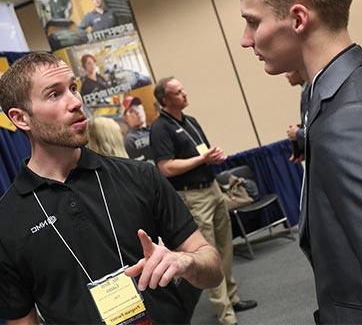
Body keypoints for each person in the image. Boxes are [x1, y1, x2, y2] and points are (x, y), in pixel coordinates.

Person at [230, 0, 362, 324]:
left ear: (299, 18)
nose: (245, 40)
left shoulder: (352, 117)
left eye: (253, 22)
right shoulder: (328, 97)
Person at [0, 52, 223, 325]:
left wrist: (186, 263)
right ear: (21, 118)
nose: (75, 102)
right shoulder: (7, 220)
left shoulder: (140, 176)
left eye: (72, 88)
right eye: (54, 94)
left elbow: (213, 269)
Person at [150, 77, 257, 325]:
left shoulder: (190, 121)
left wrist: (212, 158)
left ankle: (233, 297)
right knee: (208, 253)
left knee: (225, 247)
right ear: (165, 100)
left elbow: (202, 153)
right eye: (178, 92)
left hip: (213, 188)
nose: (185, 94)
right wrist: (201, 160)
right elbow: (165, 167)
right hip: (193, 196)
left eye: (183, 89)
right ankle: (225, 313)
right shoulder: (160, 128)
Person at [285, 70, 310, 162]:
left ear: (299, 71)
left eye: (288, 71)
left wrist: (297, 133)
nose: (286, 75)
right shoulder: (305, 91)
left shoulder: (311, 90)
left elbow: (321, 128)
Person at [123, 97, 153, 162]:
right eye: (131, 111)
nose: (137, 111)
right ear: (126, 118)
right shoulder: (128, 141)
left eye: (138, 107)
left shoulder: (156, 129)